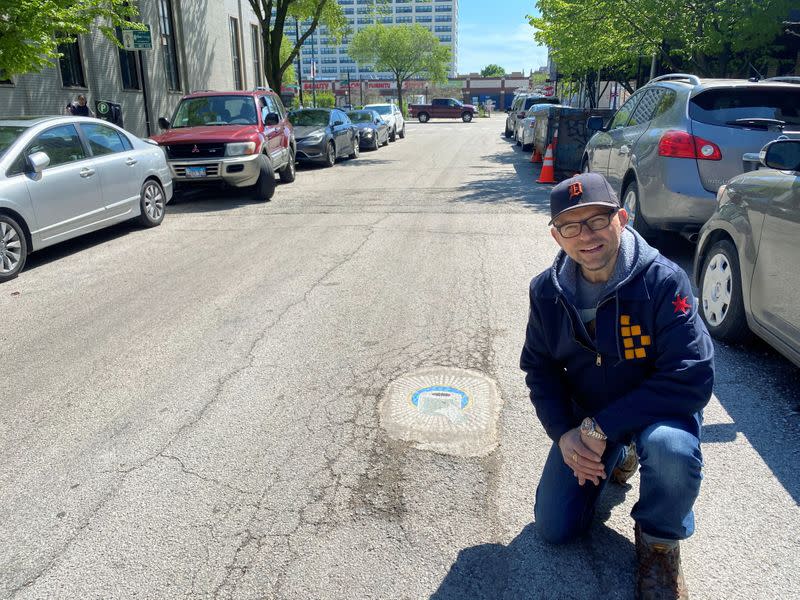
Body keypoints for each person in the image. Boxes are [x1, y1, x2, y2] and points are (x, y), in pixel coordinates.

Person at [519, 172, 714, 599]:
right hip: (589, 417)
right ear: (557, 236)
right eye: (571, 226)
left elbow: (691, 375)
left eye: (596, 221)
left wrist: (601, 426)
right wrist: (565, 432)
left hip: (653, 412)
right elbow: (539, 368)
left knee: (670, 449)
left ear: (622, 218)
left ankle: (659, 544)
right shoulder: (546, 293)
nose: (585, 236)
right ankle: (619, 454)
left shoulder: (664, 282)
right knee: (555, 529)